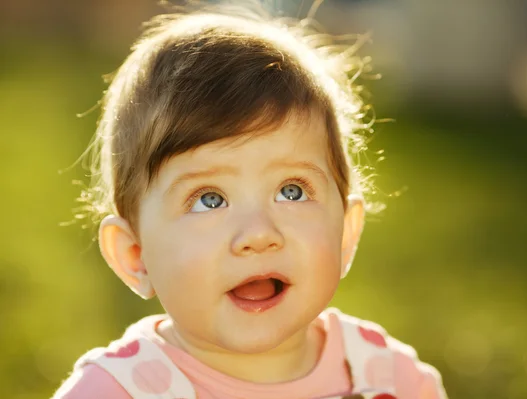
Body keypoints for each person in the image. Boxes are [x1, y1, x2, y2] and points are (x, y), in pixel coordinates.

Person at [53, 1, 448, 398]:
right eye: (209, 199)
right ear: (134, 255)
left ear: (346, 233)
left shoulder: (388, 379)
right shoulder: (115, 392)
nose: (259, 234)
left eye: (291, 191)